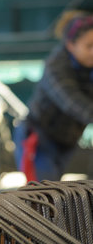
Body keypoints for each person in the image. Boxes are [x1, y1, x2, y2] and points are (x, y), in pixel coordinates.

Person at [13, 10, 93, 182]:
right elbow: (72, 102)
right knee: (44, 195)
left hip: (66, 140)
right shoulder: (56, 67)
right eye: (89, 46)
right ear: (71, 45)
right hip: (40, 139)